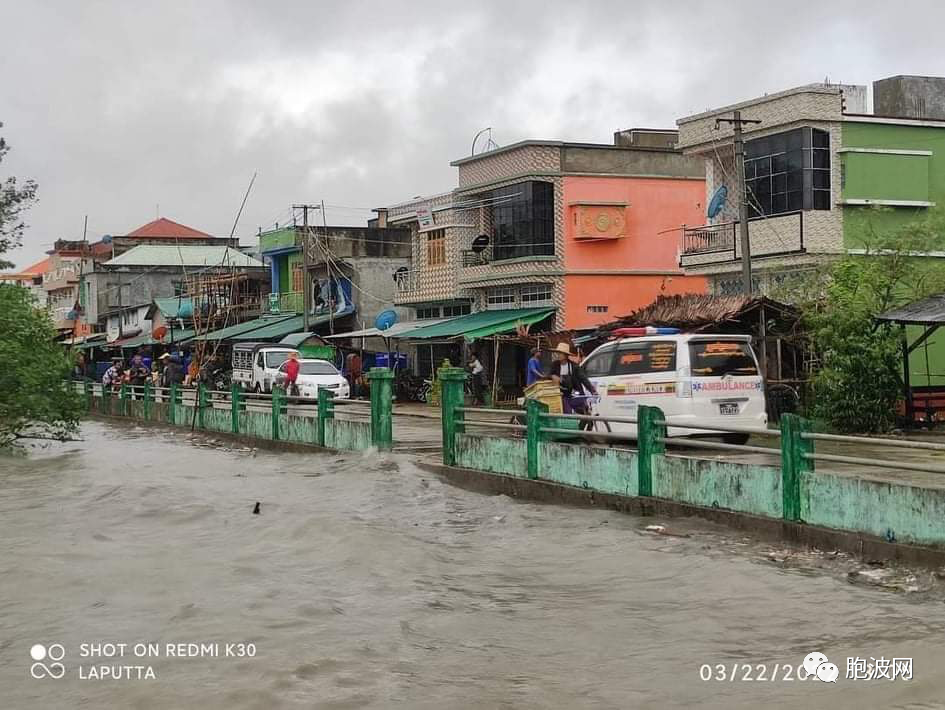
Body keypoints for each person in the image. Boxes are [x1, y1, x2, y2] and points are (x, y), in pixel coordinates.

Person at [549, 342, 596, 416]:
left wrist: (592, 390)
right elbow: (549, 375)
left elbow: (583, 378)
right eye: (558, 353)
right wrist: (553, 376)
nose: (558, 355)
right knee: (567, 413)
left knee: (584, 412)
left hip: (574, 392)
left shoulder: (574, 366)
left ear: (566, 355)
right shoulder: (555, 365)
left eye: (561, 353)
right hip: (562, 394)